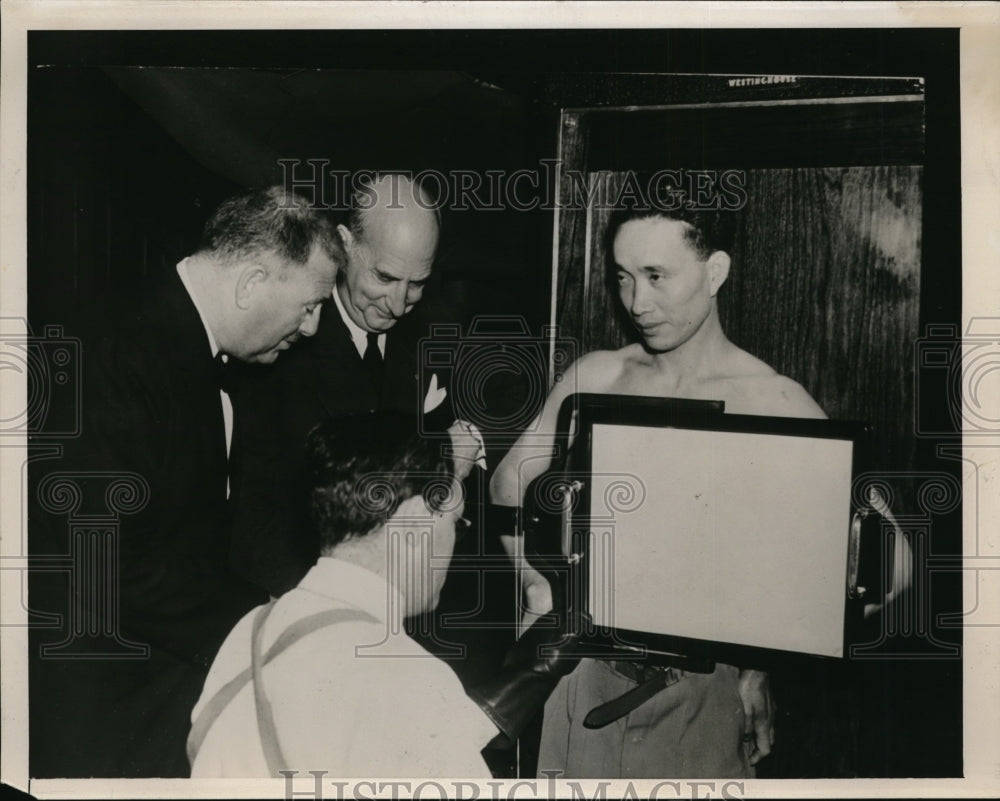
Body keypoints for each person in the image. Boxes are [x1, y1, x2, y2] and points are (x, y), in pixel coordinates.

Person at [489, 193, 912, 778]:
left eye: (656, 276)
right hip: (580, 682)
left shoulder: (771, 400)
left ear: (715, 272)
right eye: (623, 277)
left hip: (703, 696)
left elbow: (891, 563)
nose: (637, 302)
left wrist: (759, 658)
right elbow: (508, 487)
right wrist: (538, 587)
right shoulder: (597, 376)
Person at [29, 186, 343, 778]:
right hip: (104, 708)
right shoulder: (117, 353)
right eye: (309, 305)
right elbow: (107, 562)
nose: (311, 327)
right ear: (251, 283)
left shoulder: (184, 344)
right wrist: (262, 624)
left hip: (155, 685)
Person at [189, 411, 578, 777]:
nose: (452, 545)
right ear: (414, 525)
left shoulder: (250, 632)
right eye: (456, 525)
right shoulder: (406, 672)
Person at [233, 173, 462, 597]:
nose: (399, 304)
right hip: (304, 591)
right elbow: (256, 507)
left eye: (417, 284)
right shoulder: (282, 343)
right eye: (385, 278)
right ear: (344, 245)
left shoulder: (435, 333)